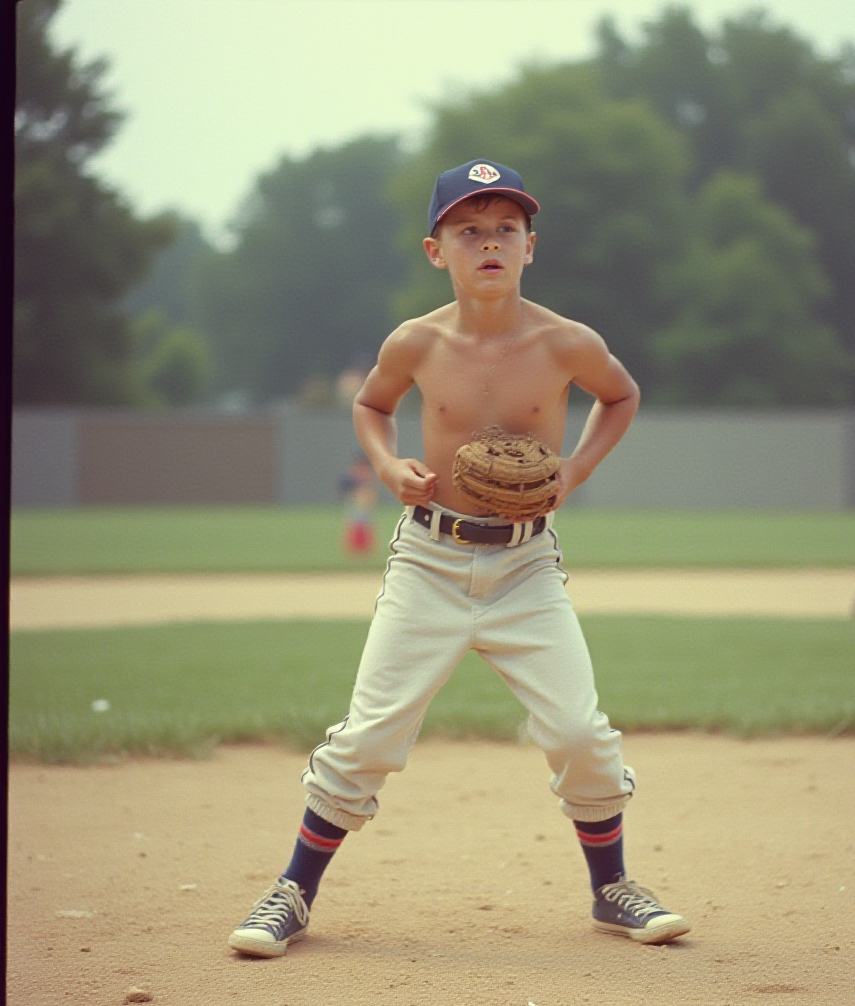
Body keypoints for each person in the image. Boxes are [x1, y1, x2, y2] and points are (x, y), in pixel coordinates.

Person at [228, 159, 690, 957]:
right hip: (429, 563)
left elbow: (622, 395)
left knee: (580, 732)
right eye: (468, 229)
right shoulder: (416, 342)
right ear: (435, 251)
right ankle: (292, 894)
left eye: (505, 228)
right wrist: (384, 464)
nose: (489, 243)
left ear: (530, 247)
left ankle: (612, 888)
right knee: (369, 738)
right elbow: (372, 405)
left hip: (526, 567)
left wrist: (573, 471)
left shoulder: (566, 342)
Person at [338, 454, 377, 556]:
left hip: (365, 504)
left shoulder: (367, 474)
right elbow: (345, 489)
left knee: (365, 526)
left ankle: (366, 550)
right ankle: (353, 549)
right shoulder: (352, 475)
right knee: (354, 525)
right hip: (354, 503)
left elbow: (371, 490)